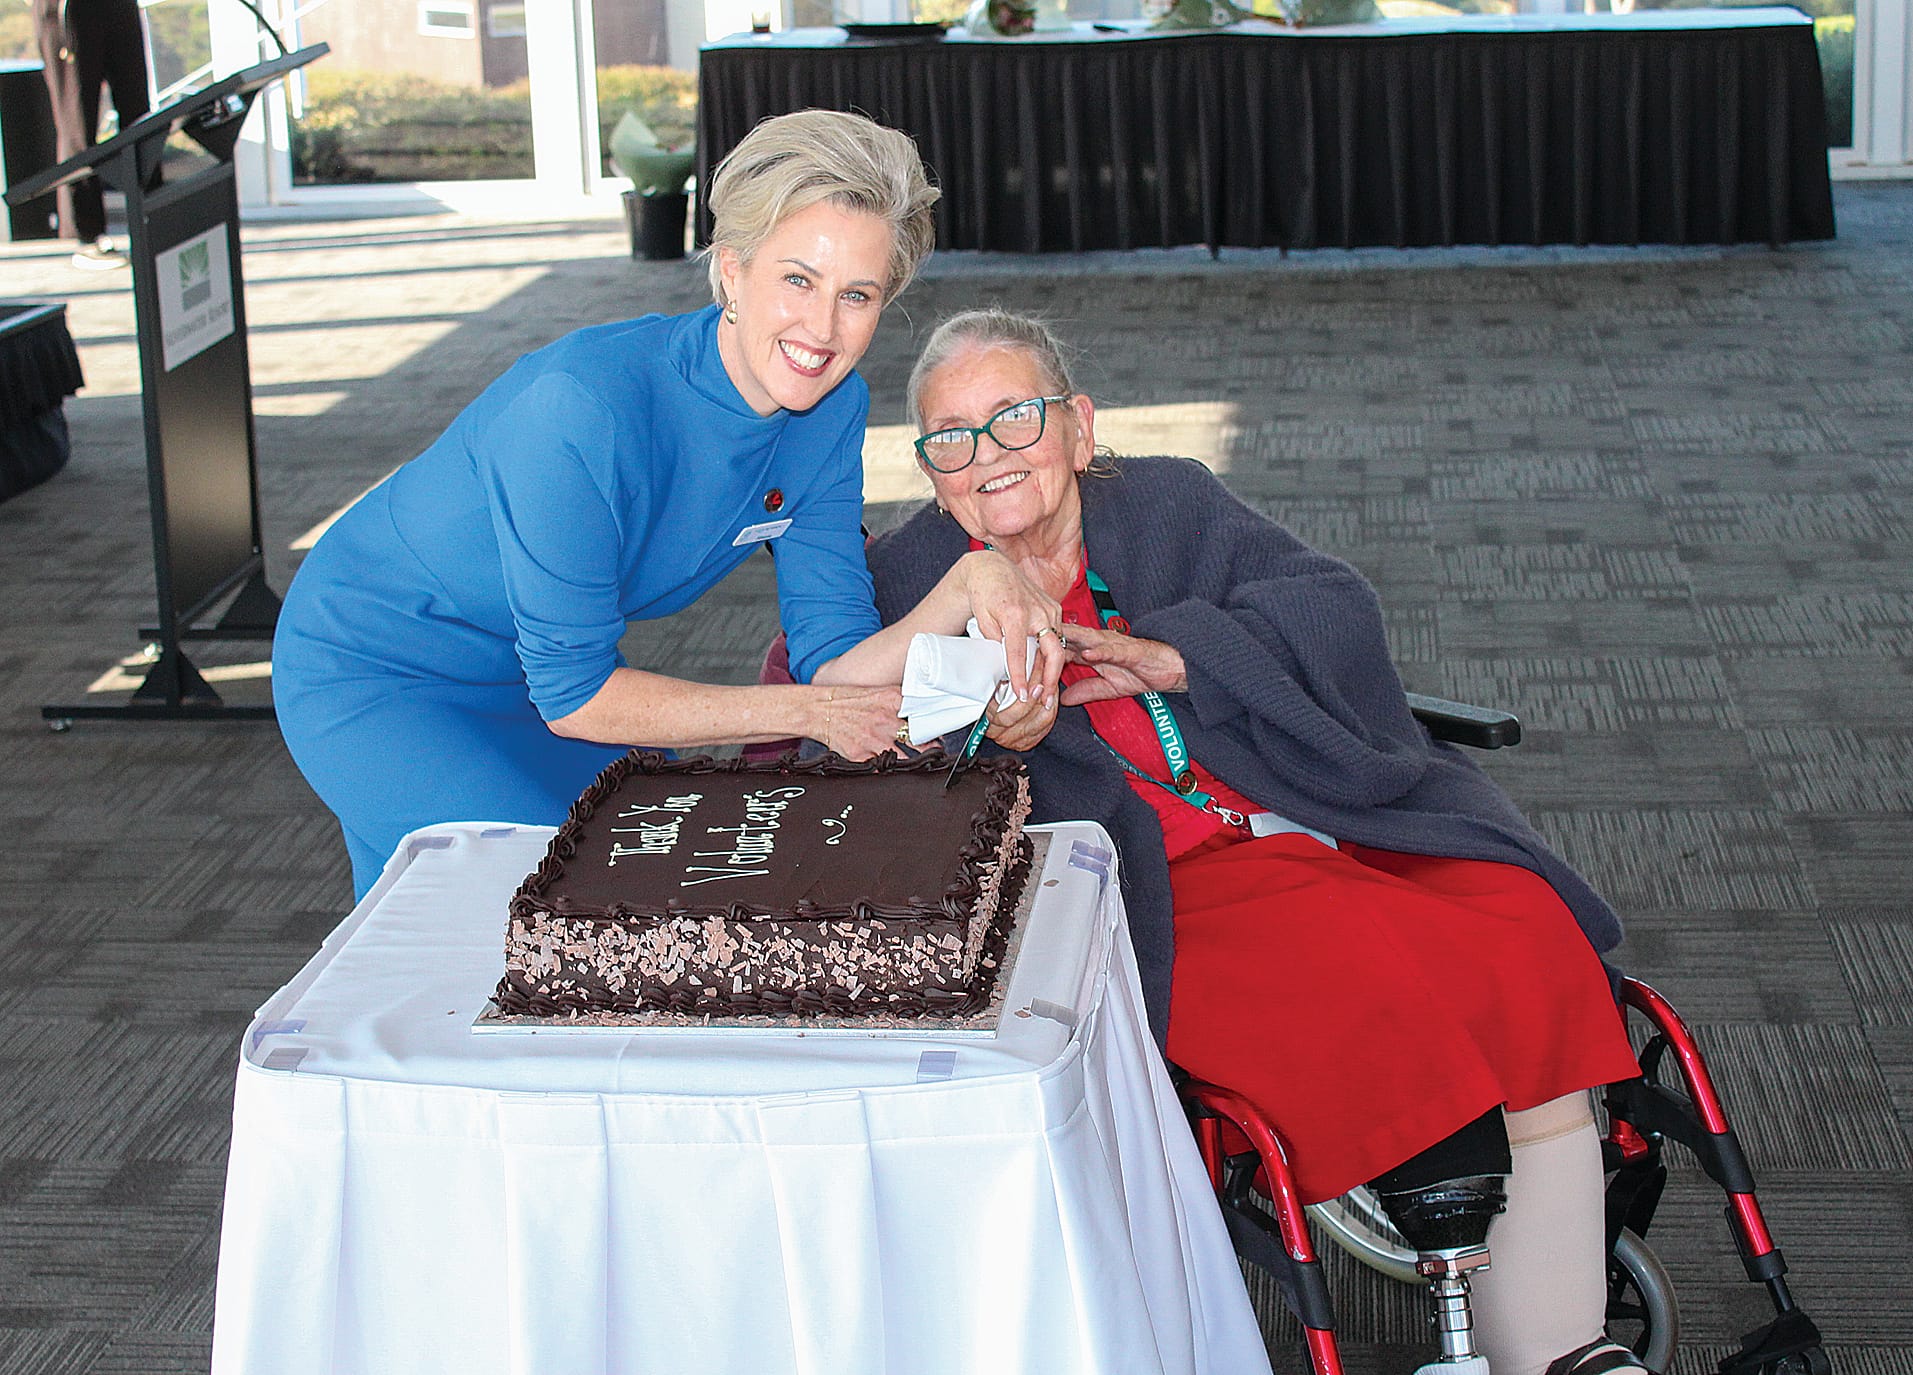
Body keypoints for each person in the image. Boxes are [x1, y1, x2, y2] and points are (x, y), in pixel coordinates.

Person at [864, 308, 1650, 1375]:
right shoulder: (909, 576)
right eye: (950, 437)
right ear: (927, 468)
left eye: (1014, 417)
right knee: (1359, 971)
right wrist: (986, 741)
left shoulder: (1165, 502)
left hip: (1309, 815)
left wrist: (1180, 655)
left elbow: (1333, 607)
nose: (987, 454)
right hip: (1153, 891)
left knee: (1522, 925)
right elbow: (836, 742)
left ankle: (1559, 1346)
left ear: (1078, 427)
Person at [273, 112, 1062, 897]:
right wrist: (809, 712)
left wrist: (969, 583)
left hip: (539, 668)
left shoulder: (829, 409)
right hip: (379, 664)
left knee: (624, 887)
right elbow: (580, 696)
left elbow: (834, 661)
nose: (822, 328)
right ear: (732, 271)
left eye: (856, 294)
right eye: (797, 279)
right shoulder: (579, 411)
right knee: (552, 904)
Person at [31, 0, 152, 268]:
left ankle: (153, 217)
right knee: (77, 124)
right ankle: (88, 236)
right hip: (68, 9)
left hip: (117, 6)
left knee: (139, 116)